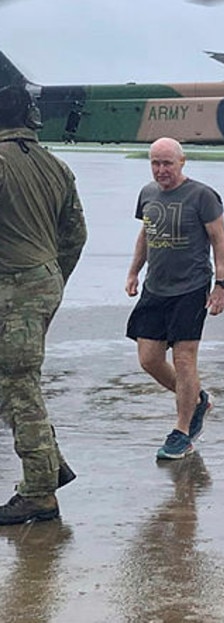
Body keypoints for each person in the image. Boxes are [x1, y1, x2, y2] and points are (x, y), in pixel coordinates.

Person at [0, 85, 87, 524]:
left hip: (14, 289)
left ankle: (38, 492)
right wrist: (53, 278)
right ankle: (51, 466)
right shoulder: (56, 165)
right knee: (12, 384)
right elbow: (76, 235)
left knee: (19, 388)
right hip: (42, 282)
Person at [125, 137, 224, 461]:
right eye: (155, 163)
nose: (161, 170)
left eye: (167, 163)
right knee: (149, 359)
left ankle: (182, 431)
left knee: (184, 360)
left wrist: (221, 284)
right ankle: (197, 398)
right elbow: (146, 233)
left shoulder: (202, 196)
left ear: (182, 162)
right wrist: (133, 273)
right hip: (156, 288)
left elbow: (219, 240)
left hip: (191, 287)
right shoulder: (147, 194)